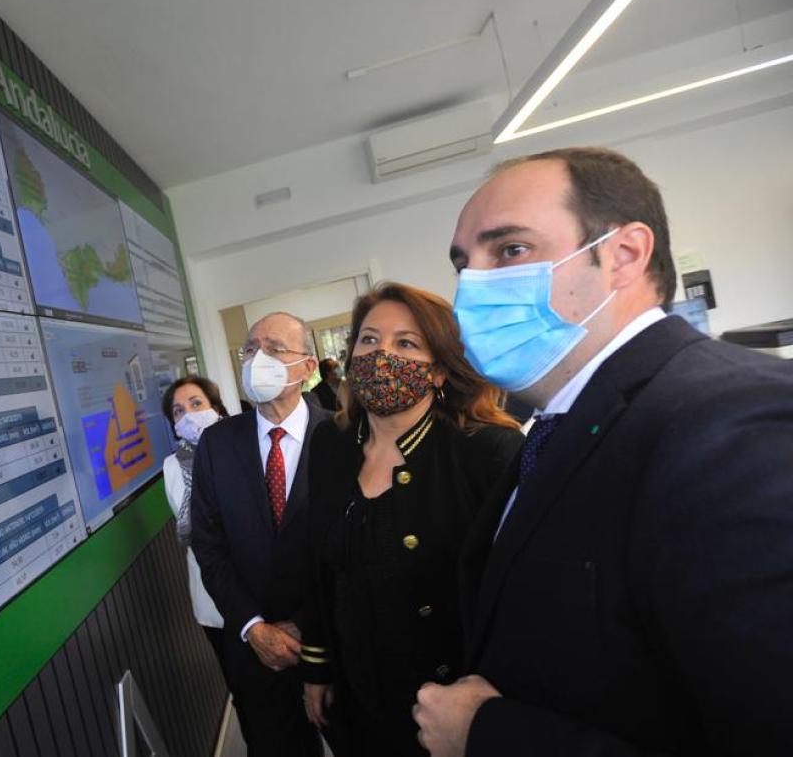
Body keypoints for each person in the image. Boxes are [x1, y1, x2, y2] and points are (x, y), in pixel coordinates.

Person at [412, 146, 793, 756]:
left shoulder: (734, 423)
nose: (472, 287)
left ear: (623, 255)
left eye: (510, 250)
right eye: (464, 264)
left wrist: (488, 733)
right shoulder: (554, 422)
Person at [299, 283, 523, 756]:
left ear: (439, 370)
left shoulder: (486, 453)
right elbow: (319, 568)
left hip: (448, 710)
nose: (382, 354)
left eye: (406, 343)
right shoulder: (329, 446)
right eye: (369, 339)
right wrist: (317, 666)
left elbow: (519, 599)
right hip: (358, 700)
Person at [191, 311, 333, 756]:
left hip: (335, 641)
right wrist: (253, 627)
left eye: (274, 348)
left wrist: (307, 624)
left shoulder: (344, 435)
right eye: (250, 349)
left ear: (308, 368)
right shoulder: (217, 444)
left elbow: (359, 547)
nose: (257, 359)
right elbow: (208, 547)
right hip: (254, 651)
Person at [160, 375, 229, 666]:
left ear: (215, 408)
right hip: (215, 598)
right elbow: (199, 527)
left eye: (196, 403)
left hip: (266, 592)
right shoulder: (173, 466)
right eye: (178, 411)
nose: (188, 414)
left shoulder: (245, 447)